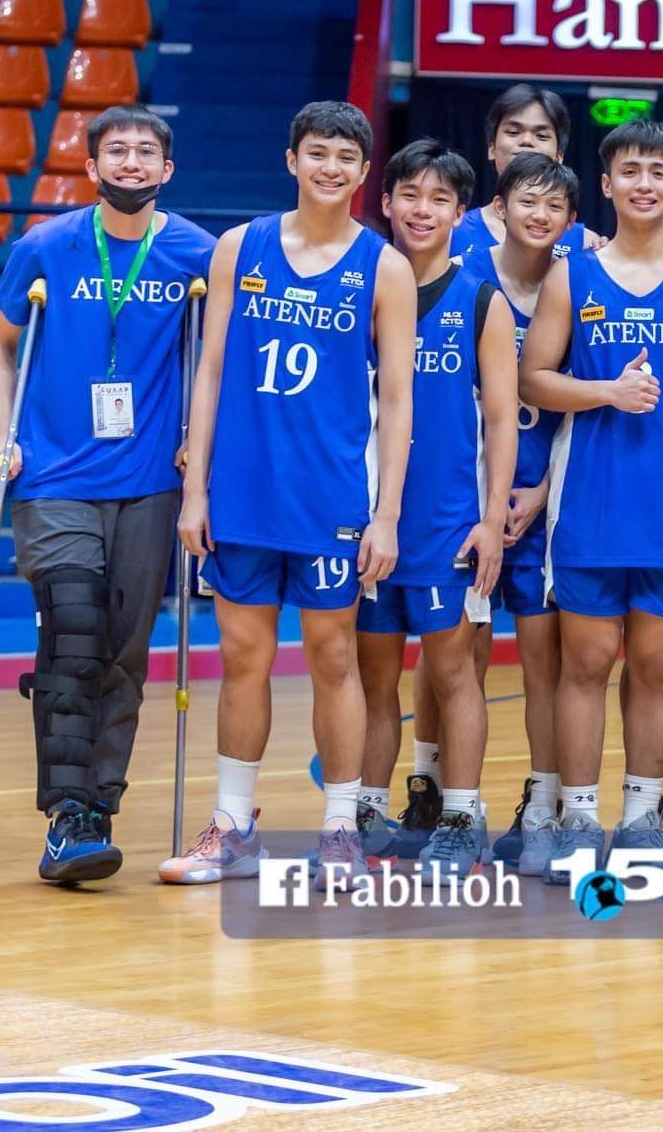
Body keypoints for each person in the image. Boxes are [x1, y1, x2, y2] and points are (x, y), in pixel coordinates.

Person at [163, 100, 417, 886]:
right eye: (317, 152)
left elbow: (399, 399)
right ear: (292, 159)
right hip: (243, 490)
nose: (330, 167)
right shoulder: (240, 247)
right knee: (242, 655)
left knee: (334, 657)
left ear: (363, 170)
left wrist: (386, 515)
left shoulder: (385, 266)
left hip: (331, 497)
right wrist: (195, 489)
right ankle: (233, 826)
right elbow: (210, 369)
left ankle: (340, 830)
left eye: (345, 156)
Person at [0, 105, 214, 882]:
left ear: (168, 170)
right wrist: (2, 435)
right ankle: (66, 813)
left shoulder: (194, 252)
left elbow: (219, 357)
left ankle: (97, 808)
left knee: (121, 648)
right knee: (74, 629)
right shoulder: (45, 246)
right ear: (92, 167)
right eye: (117, 150)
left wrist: (198, 438)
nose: (132, 162)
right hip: (53, 475)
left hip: (149, 481)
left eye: (147, 151)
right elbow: (1, 345)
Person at [520, 119, 663, 884]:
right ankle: (579, 820)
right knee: (584, 663)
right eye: (630, 170)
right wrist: (606, 392)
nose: (644, 183)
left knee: (656, 665)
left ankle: (642, 821)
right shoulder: (570, 276)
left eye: (658, 172)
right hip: (590, 505)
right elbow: (533, 378)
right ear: (606, 184)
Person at [354, 140, 517, 875]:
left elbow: (503, 420)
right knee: (371, 676)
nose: (424, 210)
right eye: (411, 195)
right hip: (363, 515)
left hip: (448, 520)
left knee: (454, 673)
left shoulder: (481, 300)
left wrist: (492, 521)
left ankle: (460, 817)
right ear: (386, 202)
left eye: (440, 198)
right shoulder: (359, 287)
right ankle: (362, 811)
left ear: (462, 212)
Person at [462, 152, 579, 871]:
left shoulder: (578, 283)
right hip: (466, 497)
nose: (539, 215)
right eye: (526, 201)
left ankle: (542, 805)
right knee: (457, 659)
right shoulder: (463, 277)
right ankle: (452, 803)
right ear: (499, 207)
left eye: (554, 205)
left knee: (543, 666)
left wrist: (543, 490)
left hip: (544, 499)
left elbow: (585, 401)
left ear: (571, 219)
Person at [450, 82, 588, 259]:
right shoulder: (453, 231)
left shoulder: (586, 243)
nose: (527, 141)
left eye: (541, 136)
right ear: (491, 148)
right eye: (513, 132)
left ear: (559, 156)